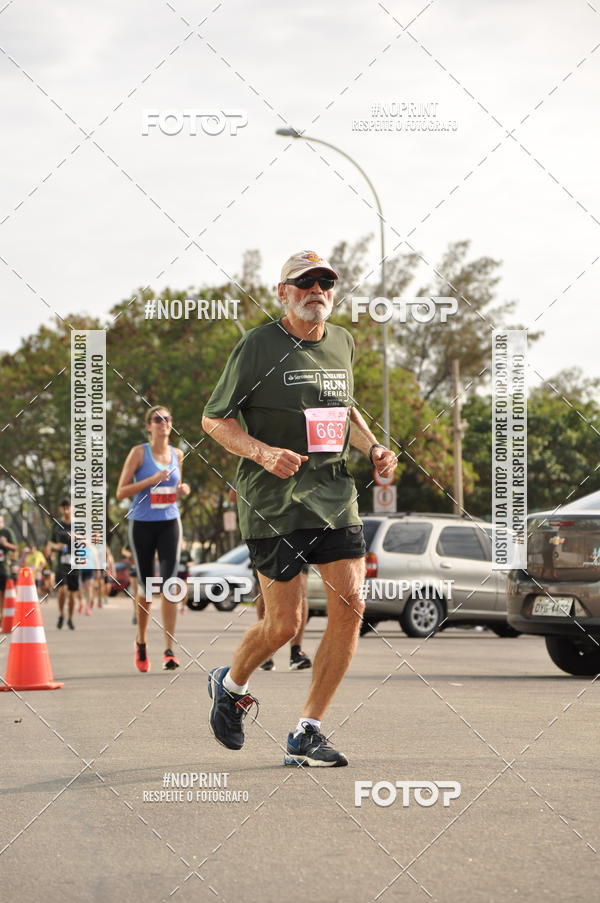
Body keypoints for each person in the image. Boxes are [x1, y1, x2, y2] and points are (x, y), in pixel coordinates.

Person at [202, 250, 397, 766]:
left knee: (351, 604)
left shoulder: (343, 342)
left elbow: (344, 408)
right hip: (275, 500)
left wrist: (374, 447)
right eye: (305, 282)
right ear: (282, 292)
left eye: (325, 283)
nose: (317, 291)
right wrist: (263, 453)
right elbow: (214, 419)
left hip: (333, 494)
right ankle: (230, 684)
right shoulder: (258, 345)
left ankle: (307, 730)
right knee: (284, 626)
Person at [116, 406, 190, 672]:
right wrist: (151, 479)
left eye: (167, 419)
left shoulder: (177, 454)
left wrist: (183, 490)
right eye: (157, 419)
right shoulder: (139, 453)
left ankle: (169, 650)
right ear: (149, 425)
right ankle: (141, 641)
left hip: (170, 521)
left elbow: (176, 487)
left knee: (170, 585)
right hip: (143, 524)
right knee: (147, 588)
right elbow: (121, 492)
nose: (163, 423)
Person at [258, 565, 311, 671]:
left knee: (301, 589)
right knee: (266, 591)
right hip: (266, 554)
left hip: (299, 553)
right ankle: (266, 651)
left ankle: (296, 652)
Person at [47, 499, 80, 629]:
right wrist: (56, 546)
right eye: (63, 507)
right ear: (60, 509)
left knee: (72, 593)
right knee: (62, 590)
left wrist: (76, 537)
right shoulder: (56, 525)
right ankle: (61, 614)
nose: (66, 510)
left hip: (74, 563)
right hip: (61, 564)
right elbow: (50, 543)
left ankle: (70, 618)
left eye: (68, 507)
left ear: (72, 508)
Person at [0, 513, 17, 621]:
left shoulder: (7, 532)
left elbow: (15, 547)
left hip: (3, 569)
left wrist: (5, 544)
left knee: (3, 594)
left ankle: (3, 618)